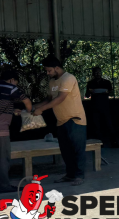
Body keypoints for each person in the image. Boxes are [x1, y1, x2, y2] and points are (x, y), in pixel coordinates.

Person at [32, 56, 88, 186]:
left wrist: (42, 110)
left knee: (77, 150)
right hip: (61, 121)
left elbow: (60, 98)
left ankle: (79, 176)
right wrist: (36, 107)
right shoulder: (52, 82)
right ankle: (70, 175)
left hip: (75, 120)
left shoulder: (68, 78)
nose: (48, 73)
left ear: (57, 68)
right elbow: (49, 99)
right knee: (66, 151)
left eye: (49, 70)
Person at [0, 69, 32, 193]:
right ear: (12, 80)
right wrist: (30, 112)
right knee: (2, 159)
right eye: (16, 82)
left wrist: (11, 111)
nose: (15, 85)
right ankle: (4, 186)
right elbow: (26, 101)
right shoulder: (11, 88)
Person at [85, 66, 119, 148]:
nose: (98, 74)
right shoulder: (90, 83)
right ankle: (99, 143)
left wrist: (107, 92)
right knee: (96, 125)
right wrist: (90, 92)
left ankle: (114, 142)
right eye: (96, 72)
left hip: (105, 106)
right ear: (93, 74)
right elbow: (87, 95)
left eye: (99, 72)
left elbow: (111, 93)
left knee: (109, 124)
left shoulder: (107, 82)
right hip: (95, 107)